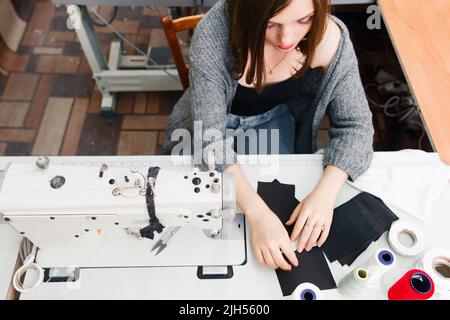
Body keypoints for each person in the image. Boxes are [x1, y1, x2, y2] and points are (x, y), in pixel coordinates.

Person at [163, 0, 374, 271]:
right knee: (192, 214)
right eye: (271, 24)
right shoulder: (213, 35)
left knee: (282, 198)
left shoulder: (330, 38)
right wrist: (257, 213)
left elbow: (356, 126)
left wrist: (325, 195)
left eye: (304, 20)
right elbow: (210, 142)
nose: (286, 39)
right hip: (207, 127)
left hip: (273, 120)